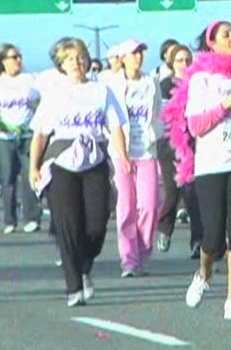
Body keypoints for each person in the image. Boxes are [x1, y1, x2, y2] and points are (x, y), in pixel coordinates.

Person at [162, 20, 231, 320]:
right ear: (212, 44)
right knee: (214, 237)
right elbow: (196, 126)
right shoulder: (201, 79)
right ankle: (203, 274)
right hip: (210, 163)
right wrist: (227, 103)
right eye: (226, 34)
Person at [29, 37, 130, 307]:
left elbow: (116, 126)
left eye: (81, 57)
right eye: (70, 58)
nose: (77, 62)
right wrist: (33, 168)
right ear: (61, 64)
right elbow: (40, 134)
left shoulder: (101, 90)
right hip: (61, 164)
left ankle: (85, 266)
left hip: (94, 161)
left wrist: (123, 156)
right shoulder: (54, 94)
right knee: (68, 226)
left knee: (96, 224)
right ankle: (73, 286)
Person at [107, 39, 163, 277]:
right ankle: (129, 259)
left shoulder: (152, 82)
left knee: (150, 205)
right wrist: (121, 153)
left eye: (141, 52)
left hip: (147, 150)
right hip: (122, 152)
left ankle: (142, 250)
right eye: (133, 53)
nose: (138, 57)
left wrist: (154, 135)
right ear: (123, 58)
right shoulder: (112, 85)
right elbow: (111, 120)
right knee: (127, 206)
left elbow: (158, 113)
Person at [0, 44, 42, 234]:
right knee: (7, 177)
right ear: (4, 62)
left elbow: (39, 104)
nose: (18, 60)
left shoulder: (29, 80)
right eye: (13, 57)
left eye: (19, 56)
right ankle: (10, 219)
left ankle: (32, 217)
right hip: (5, 136)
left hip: (27, 135)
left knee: (29, 175)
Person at [156, 45, 205, 258]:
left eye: (187, 60)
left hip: (194, 144)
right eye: (179, 60)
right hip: (169, 145)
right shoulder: (163, 86)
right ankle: (165, 229)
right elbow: (160, 115)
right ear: (171, 64)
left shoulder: (199, 84)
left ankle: (198, 241)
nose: (184, 64)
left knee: (193, 195)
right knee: (172, 193)